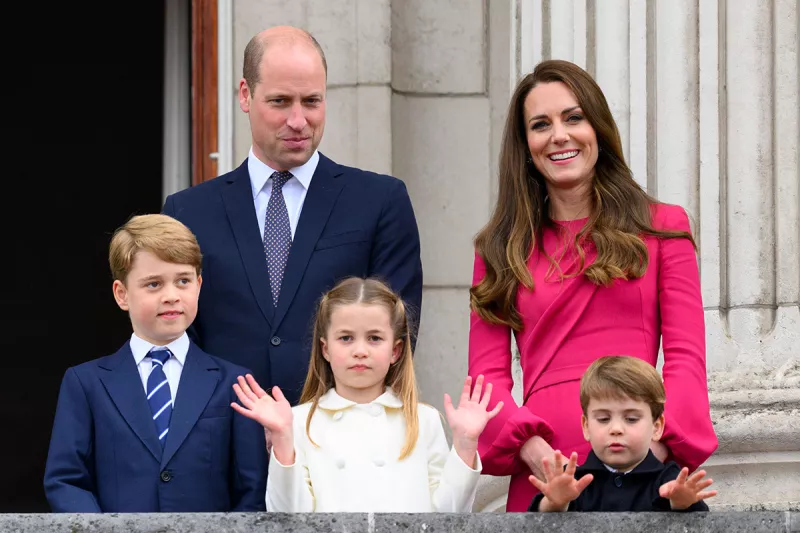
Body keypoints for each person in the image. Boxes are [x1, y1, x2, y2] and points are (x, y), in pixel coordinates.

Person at [467, 59, 718, 511]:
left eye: (574, 117)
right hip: (546, 474)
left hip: (640, 469)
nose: (559, 135)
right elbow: (487, 380)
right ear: (526, 146)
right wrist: (534, 451)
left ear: (597, 129)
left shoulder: (662, 226)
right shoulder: (499, 247)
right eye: (540, 125)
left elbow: (686, 359)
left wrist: (652, 453)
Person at [162, 26, 422, 407]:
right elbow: (176, 337)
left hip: (338, 442)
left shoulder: (380, 201)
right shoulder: (187, 211)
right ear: (246, 96)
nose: (299, 121)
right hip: (224, 441)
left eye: (312, 101)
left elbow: (397, 331)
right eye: (281, 101)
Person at [43, 215, 267, 512]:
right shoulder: (85, 383)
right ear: (122, 294)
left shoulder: (234, 383)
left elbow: (252, 490)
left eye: (183, 281)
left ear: (199, 285)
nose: (171, 296)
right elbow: (65, 481)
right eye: (153, 284)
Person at [231, 277, 502, 512]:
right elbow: (289, 516)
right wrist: (281, 438)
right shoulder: (299, 422)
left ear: (395, 350)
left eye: (374, 338)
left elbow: (450, 516)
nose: (360, 350)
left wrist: (466, 444)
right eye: (346, 338)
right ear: (325, 349)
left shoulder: (423, 420)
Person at [528, 356, 716, 512]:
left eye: (631, 419)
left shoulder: (668, 478)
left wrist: (682, 502)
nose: (616, 429)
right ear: (586, 426)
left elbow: (698, 523)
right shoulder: (573, 480)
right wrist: (555, 502)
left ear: (657, 427)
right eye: (603, 419)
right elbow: (535, 524)